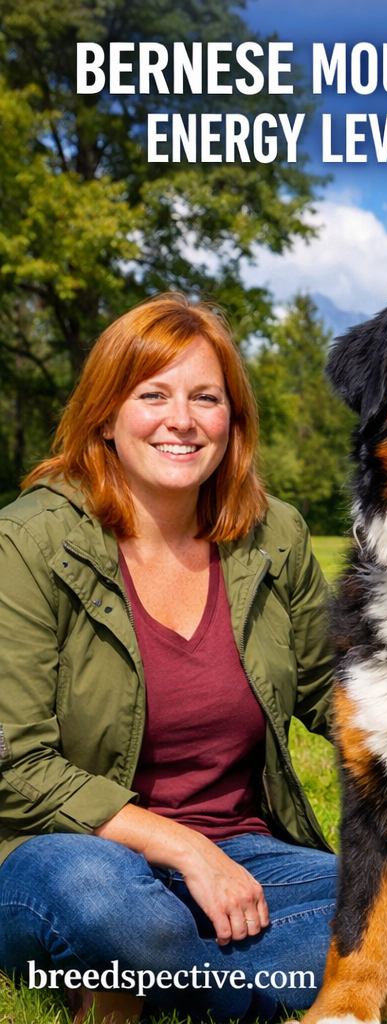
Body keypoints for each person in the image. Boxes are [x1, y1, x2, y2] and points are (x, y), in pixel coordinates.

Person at [0, 294, 338, 1023]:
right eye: (152, 394)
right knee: (119, 912)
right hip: (70, 855)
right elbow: (16, 765)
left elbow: (337, 693)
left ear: (232, 419)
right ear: (105, 415)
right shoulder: (26, 542)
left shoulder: (273, 534)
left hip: (246, 854)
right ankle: (202, 969)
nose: (181, 420)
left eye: (205, 398)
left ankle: (139, 987)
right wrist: (185, 849)